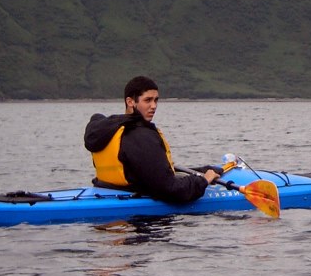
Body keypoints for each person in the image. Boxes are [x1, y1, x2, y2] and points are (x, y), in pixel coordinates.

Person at [84, 75, 222, 203]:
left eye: (156, 100)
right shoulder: (140, 136)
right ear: (130, 101)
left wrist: (201, 171)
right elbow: (171, 190)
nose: (154, 106)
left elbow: (149, 170)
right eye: (147, 100)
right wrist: (203, 181)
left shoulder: (110, 129)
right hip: (138, 218)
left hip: (107, 191)